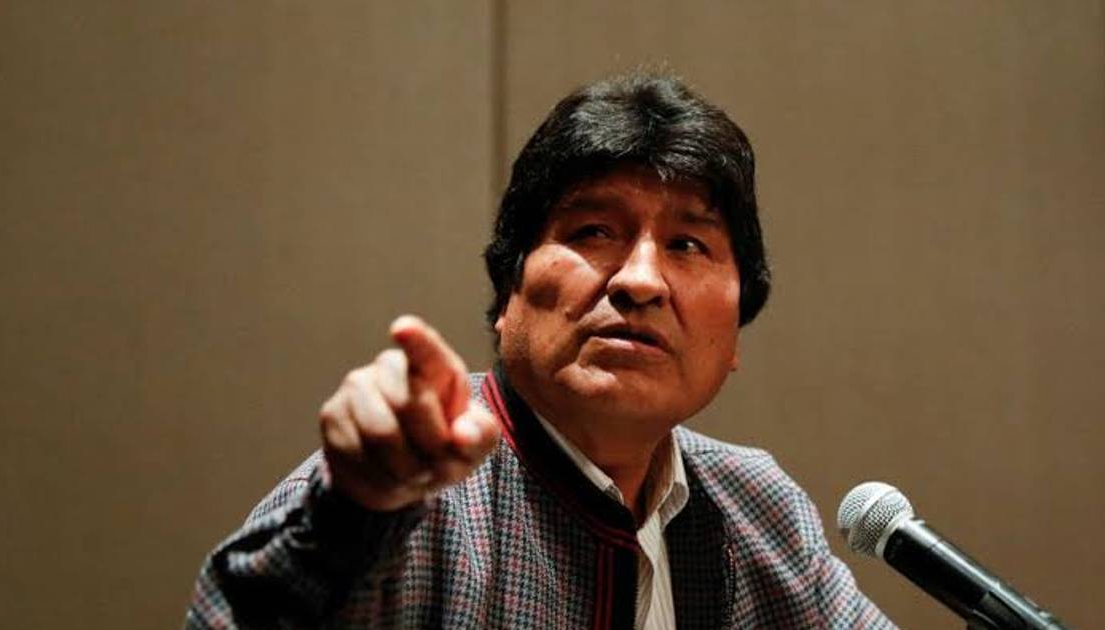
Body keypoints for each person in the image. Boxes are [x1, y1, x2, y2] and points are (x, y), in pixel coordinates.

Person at [185, 73, 894, 629]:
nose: (642, 280)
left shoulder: (759, 509)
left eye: (687, 244)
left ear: (736, 329)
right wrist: (354, 510)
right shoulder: (414, 487)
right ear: (508, 293)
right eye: (593, 232)